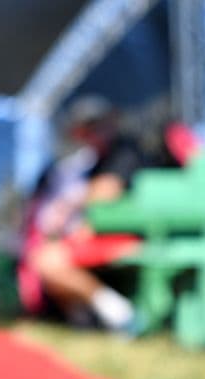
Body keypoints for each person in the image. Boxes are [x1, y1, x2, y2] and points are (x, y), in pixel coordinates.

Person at [18, 96, 147, 333]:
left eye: (94, 125)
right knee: (44, 258)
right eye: (85, 128)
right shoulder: (92, 161)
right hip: (101, 235)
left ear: (111, 122)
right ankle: (92, 321)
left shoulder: (125, 150)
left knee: (49, 262)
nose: (90, 133)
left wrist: (70, 205)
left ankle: (121, 315)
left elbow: (108, 190)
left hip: (132, 238)